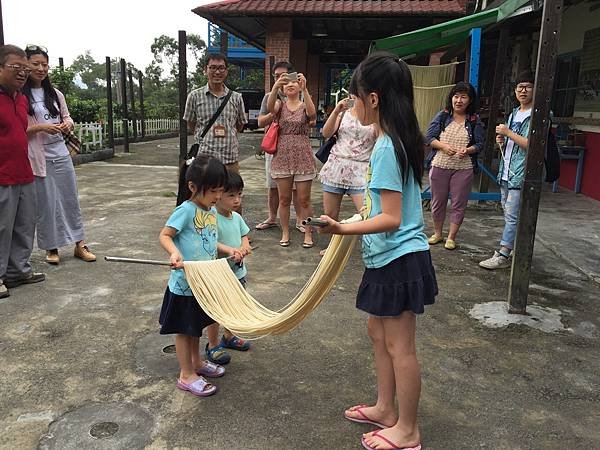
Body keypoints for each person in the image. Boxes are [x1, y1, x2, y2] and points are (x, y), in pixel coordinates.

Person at [318, 52, 437, 450]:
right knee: (377, 331)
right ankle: (386, 408)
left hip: (399, 257)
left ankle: (408, 430)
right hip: (388, 257)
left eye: (354, 99)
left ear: (373, 99)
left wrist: (343, 227)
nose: (352, 107)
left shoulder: (388, 147)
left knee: (400, 346)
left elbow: (390, 217)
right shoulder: (396, 139)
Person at [158, 154, 243, 397]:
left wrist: (230, 250)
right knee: (185, 331)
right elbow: (165, 235)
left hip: (202, 283)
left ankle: (196, 363)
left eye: (220, 190)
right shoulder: (185, 210)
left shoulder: (210, 211)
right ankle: (186, 374)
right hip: (184, 285)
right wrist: (174, 253)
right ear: (193, 187)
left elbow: (210, 241)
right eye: (213, 191)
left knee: (195, 327)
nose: (218, 197)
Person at [23, 45, 95, 265]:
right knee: (46, 204)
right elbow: (21, 128)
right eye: (36, 64)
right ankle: (51, 248)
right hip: (38, 157)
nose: (41, 68)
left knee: (70, 198)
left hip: (61, 153)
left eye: (45, 64)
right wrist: (41, 127)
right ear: (26, 65)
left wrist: (66, 125)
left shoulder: (55, 94)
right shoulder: (21, 97)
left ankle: (79, 244)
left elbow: (68, 117)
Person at [0, 44, 45, 299]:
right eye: (16, 67)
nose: (22, 73)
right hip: (2, 174)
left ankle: (18, 271)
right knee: (1, 227)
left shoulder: (21, 98)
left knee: (25, 225)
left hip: (24, 171)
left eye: (24, 69)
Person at [479, 71, 534, 270]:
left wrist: (508, 132)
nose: (523, 90)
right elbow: (511, 141)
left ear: (535, 90)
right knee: (509, 214)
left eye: (528, 87)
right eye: (520, 87)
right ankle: (516, 248)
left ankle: (503, 253)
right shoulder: (514, 113)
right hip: (506, 171)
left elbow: (532, 144)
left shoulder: (537, 115)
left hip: (521, 173)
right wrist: (501, 139)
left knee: (512, 215)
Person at [424, 82, 484, 250]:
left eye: (463, 97)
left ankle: (451, 237)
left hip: (463, 168)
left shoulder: (474, 120)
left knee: (459, 203)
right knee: (438, 201)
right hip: (440, 165)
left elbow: (480, 143)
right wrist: (443, 146)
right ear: (451, 98)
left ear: (470, 100)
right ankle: (437, 233)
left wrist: (469, 150)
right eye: (456, 96)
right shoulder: (442, 116)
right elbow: (428, 138)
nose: (459, 100)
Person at [318, 96, 377, 255]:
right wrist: (337, 110)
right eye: (354, 95)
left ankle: (370, 246)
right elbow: (326, 132)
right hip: (337, 166)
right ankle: (333, 247)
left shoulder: (375, 115)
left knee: (366, 212)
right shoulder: (343, 113)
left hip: (362, 168)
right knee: (330, 214)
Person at [206, 170, 253, 362]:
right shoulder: (211, 217)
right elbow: (211, 242)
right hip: (219, 273)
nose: (236, 200)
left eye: (239, 194)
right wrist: (230, 250)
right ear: (217, 196)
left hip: (237, 272)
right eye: (231, 195)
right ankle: (212, 344)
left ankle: (229, 336)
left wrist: (244, 247)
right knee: (215, 311)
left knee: (234, 307)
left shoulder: (237, 217)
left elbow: (245, 237)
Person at [267, 70, 317, 248]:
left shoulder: (304, 105)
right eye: (286, 82)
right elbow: (269, 107)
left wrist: (306, 90)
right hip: (282, 156)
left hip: (302, 155)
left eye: (294, 81)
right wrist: (274, 87)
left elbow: (312, 115)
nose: (290, 84)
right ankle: (285, 231)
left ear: (299, 84)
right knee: (284, 199)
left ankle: (308, 232)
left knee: (304, 199)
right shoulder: (280, 105)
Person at [255, 61, 303, 233]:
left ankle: (299, 220)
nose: (280, 79)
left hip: (296, 149)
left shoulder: (300, 93)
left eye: (283, 75)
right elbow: (260, 121)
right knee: (273, 186)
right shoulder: (270, 97)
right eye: (276, 76)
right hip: (275, 147)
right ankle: (272, 217)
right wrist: (275, 112)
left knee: (297, 188)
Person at [183, 52, 247, 174]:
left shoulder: (236, 97)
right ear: (205, 70)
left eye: (221, 68)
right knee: (207, 192)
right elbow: (191, 125)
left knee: (231, 192)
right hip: (205, 160)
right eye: (212, 67)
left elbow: (239, 125)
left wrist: (228, 134)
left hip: (230, 158)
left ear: (226, 71)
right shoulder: (194, 96)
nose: (217, 72)